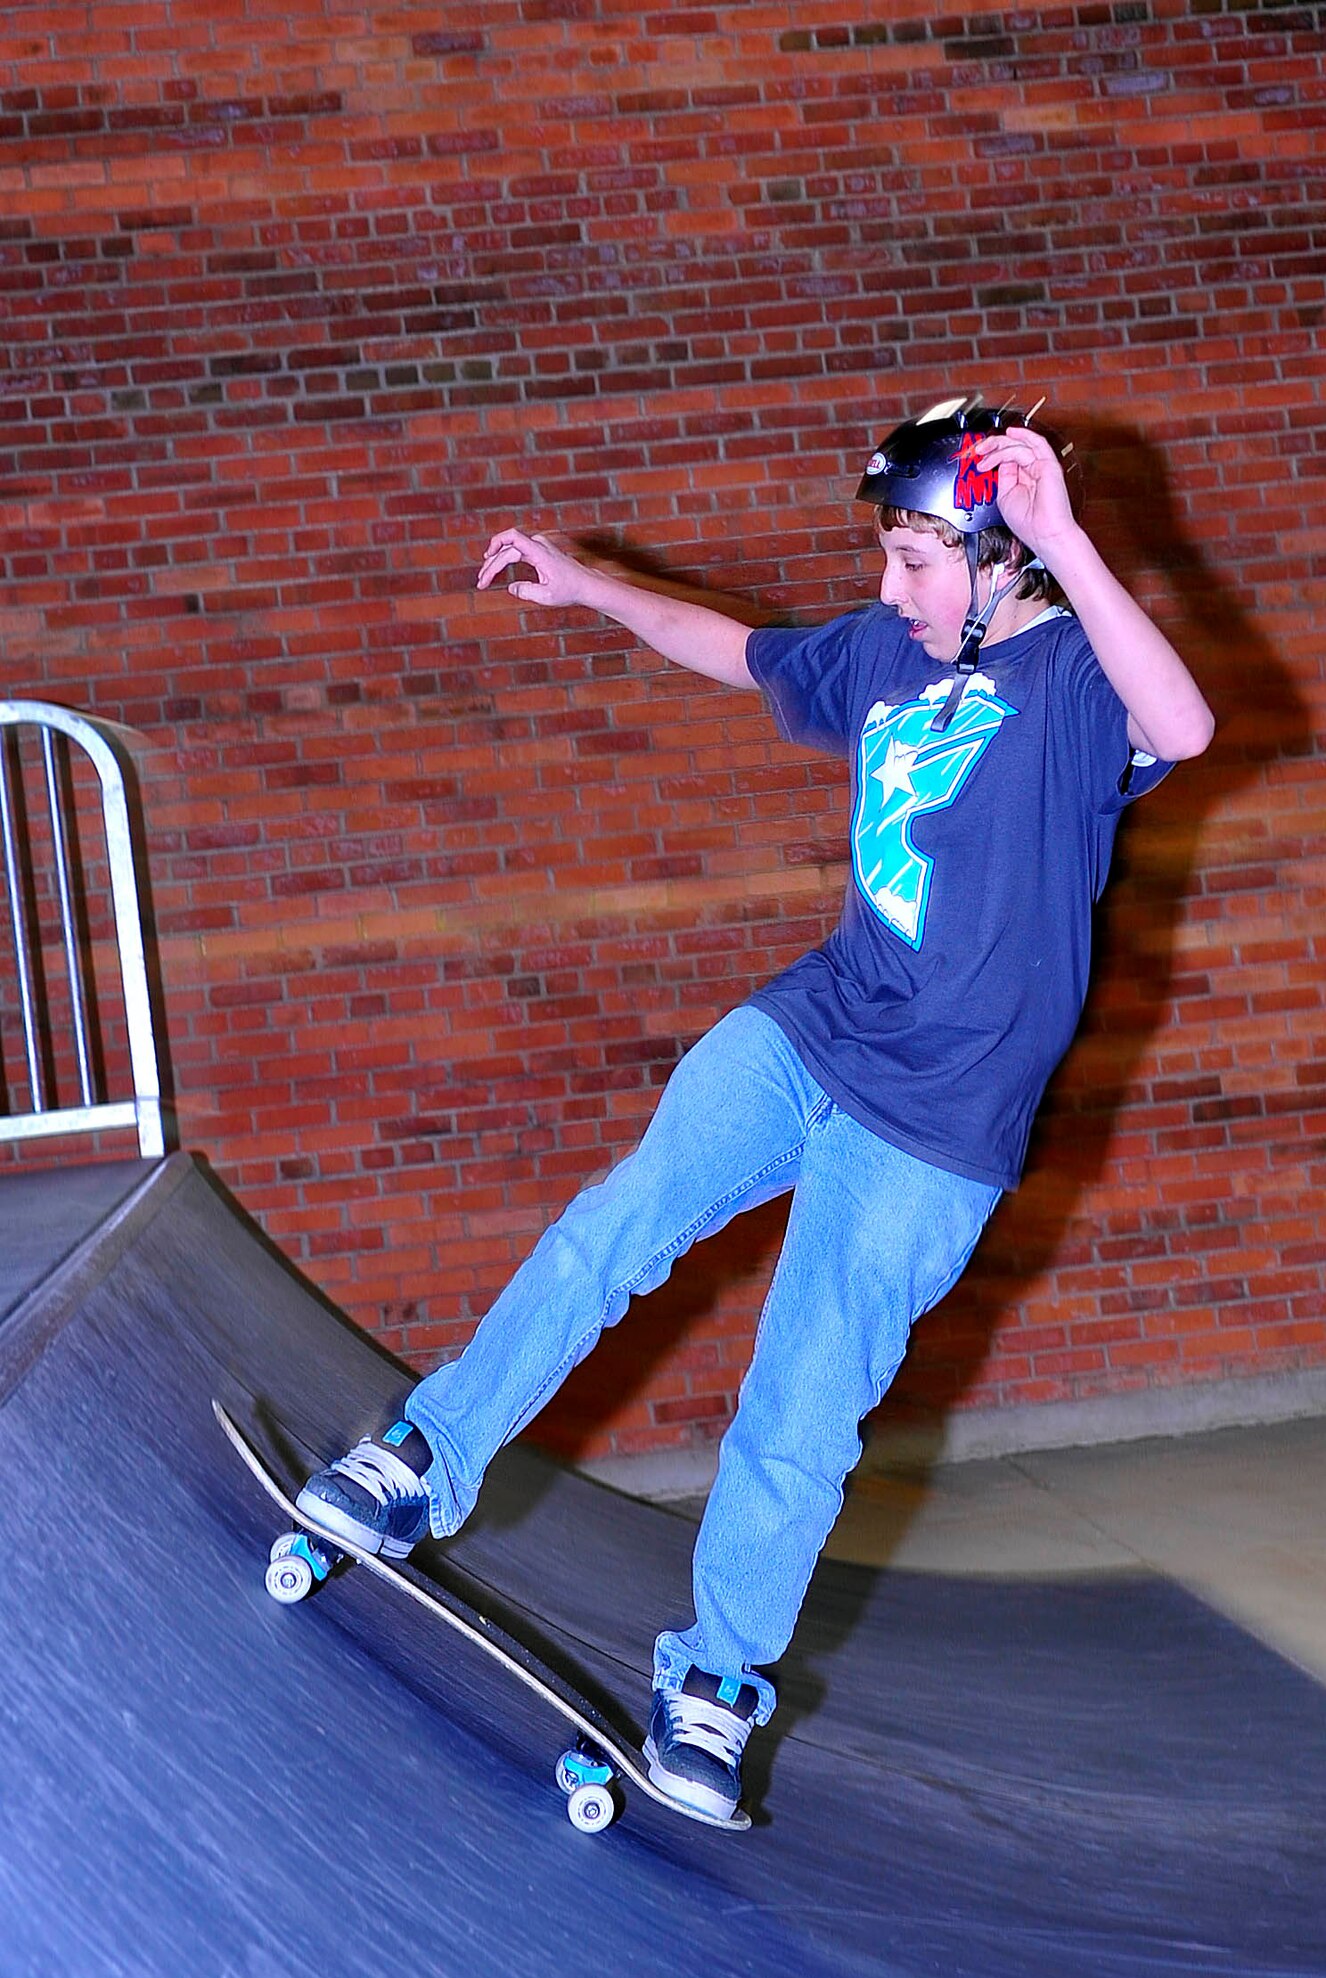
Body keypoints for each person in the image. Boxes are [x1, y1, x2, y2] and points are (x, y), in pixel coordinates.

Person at [298, 398, 1214, 1822]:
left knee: (800, 1407)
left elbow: (1188, 724)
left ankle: (713, 1684)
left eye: (919, 563)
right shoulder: (872, 656)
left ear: (998, 561)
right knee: (621, 1222)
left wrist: (1065, 544)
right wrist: (592, 585)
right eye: (883, 557)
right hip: (810, 1027)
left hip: (941, 1123)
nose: (887, 590)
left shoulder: (1082, 680)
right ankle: (424, 1461)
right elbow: (724, 648)